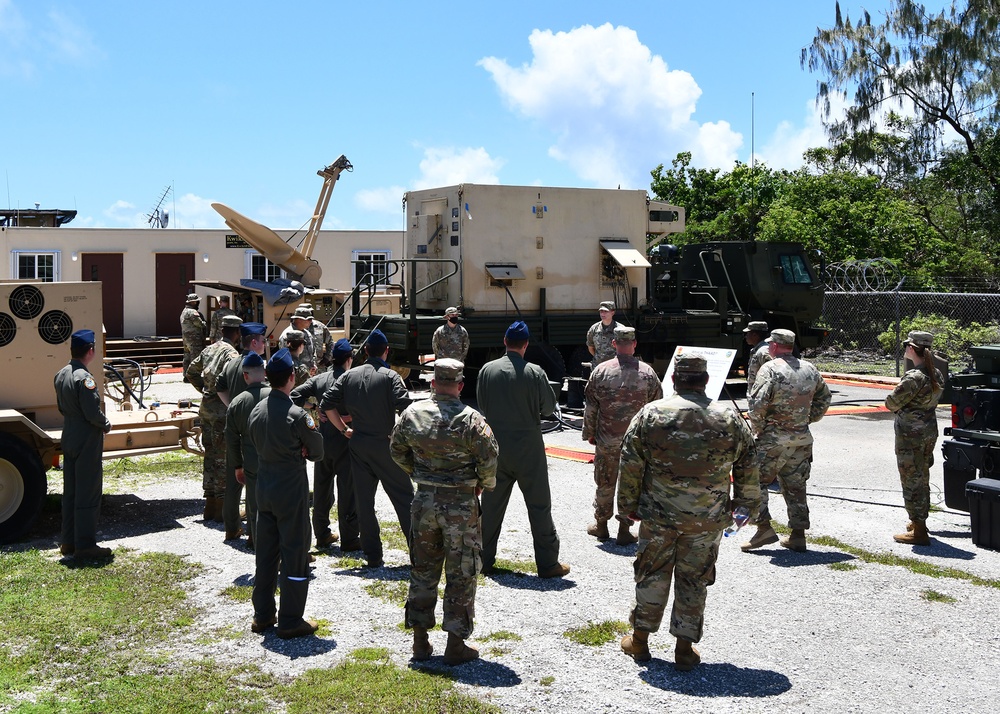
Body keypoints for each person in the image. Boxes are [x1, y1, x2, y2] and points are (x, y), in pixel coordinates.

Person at [617, 353, 759, 670]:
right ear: (706, 380)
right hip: (706, 520)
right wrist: (745, 507)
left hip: (659, 516)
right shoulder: (729, 418)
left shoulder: (650, 414)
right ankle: (684, 649)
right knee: (694, 580)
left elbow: (630, 464)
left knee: (651, 573)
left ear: (674, 380)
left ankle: (639, 642)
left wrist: (627, 507)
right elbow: (749, 464)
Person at [391, 358, 499, 665]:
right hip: (461, 505)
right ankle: (455, 644)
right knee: (462, 571)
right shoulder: (471, 420)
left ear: (433, 383)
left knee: (423, 568)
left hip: (424, 501)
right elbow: (490, 462)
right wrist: (479, 485)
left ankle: (420, 642)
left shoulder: (412, 414)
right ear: (461, 385)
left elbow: (396, 449)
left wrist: (419, 473)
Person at [477, 321, 569, 579]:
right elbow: (549, 409)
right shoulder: (535, 372)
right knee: (539, 505)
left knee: (492, 505)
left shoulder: (487, 370)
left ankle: (482, 560)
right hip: (529, 446)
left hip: (496, 445)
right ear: (526, 345)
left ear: (505, 342)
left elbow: (482, 405)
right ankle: (548, 563)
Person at [248, 348, 324, 639]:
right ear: (292, 377)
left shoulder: (257, 409)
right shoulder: (297, 415)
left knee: (266, 553)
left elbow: (256, 441)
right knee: (294, 552)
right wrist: (302, 448)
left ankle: (263, 614)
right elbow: (317, 451)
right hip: (290, 488)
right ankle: (291, 619)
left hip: (263, 486)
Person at [321, 329, 413, 568]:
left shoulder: (348, 376)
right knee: (404, 499)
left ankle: (373, 555)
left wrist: (343, 429)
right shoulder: (390, 376)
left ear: (365, 352)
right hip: (384, 443)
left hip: (358, 444)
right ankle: (418, 553)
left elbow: (326, 405)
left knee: (364, 503)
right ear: (386, 352)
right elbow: (406, 409)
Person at [742, 328, 831, 553]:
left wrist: (759, 430)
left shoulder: (769, 369)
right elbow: (824, 396)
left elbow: (757, 403)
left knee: (755, 483)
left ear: (773, 346)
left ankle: (763, 528)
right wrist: (809, 418)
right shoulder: (809, 369)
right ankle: (798, 535)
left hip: (773, 439)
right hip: (801, 438)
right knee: (796, 486)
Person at [582, 325, 662, 545]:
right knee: (632, 484)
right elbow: (656, 409)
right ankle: (624, 529)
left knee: (605, 482)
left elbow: (591, 407)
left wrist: (590, 433)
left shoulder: (600, 371)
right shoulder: (648, 373)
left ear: (614, 343)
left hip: (607, 439)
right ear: (635, 344)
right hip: (636, 444)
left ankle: (601, 525)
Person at [291, 338, 360, 551]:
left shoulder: (320, 379)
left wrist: (314, 408)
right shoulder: (354, 380)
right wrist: (345, 418)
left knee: (322, 490)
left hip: (323, 441)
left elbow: (294, 395)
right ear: (349, 360)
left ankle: (321, 535)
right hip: (346, 442)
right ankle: (349, 538)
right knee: (347, 492)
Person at [54, 329, 113, 559]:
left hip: (68, 433)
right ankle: (86, 545)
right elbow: (92, 413)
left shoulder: (61, 374)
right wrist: (106, 423)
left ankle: (68, 541)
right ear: (90, 350)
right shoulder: (84, 378)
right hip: (86, 437)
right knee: (87, 491)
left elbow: (61, 407)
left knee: (71, 491)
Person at [886, 330, 944, 546]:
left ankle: (919, 529)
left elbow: (891, 402)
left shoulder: (914, 377)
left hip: (911, 435)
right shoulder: (935, 373)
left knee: (911, 479)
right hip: (928, 431)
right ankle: (919, 521)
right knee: (922, 476)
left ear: (912, 348)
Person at [187, 314, 242, 522]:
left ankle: (209, 504)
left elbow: (191, 371)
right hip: (221, 412)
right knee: (223, 459)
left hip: (206, 410)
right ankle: (222, 507)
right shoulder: (232, 354)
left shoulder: (209, 349)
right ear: (237, 333)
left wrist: (203, 389)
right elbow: (233, 381)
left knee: (209, 456)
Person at [217, 321, 268, 541]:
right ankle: (253, 533)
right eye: (263, 340)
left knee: (233, 480)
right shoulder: (258, 365)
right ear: (254, 342)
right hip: (255, 430)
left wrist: (231, 406)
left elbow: (219, 387)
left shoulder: (231, 363)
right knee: (252, 481)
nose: (265, 344)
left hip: (235, 426)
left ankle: (231, 527)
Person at [225, 351, 271, 550]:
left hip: (251, 459)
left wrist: (237, 465)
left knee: (253, 501)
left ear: (245, 375)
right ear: (264, 372)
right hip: (274, 456)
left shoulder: (237, 402)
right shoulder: (276, 396)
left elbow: (232, 438)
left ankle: (254, 537)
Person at [280, 305, 317, 372]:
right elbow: (285, 356)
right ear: (299, 319)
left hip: (308, 373)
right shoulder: (287, 335)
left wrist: (313, 365)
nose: (311, 322)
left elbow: (313, 351)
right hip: (296, 373)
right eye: (309, 319)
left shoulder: (307, 333)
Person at [180, 293, 207, 380]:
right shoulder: (192, 312)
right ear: (193, 302)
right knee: (195, 357)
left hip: (186, 339)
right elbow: (199, 324)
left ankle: (186, 375)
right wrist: (204, 323)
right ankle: (193, 376)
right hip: (194, 338)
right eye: (197, 301)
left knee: (187, 357)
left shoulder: (184, 311)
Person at [586, 301, 620, 367]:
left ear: (612, 312)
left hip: (615, 368)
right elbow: (590, 347)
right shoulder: (594, 329)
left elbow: (625, 349)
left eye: (606, 311)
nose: (602, 314)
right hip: (598, 367)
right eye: (601, 311)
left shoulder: (619, 329)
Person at [743, 320, 771, 392]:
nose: (746, 337)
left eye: (748, 334)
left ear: (755, 335)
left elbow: (770, 375)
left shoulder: (763, 351)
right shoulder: (756, 350)